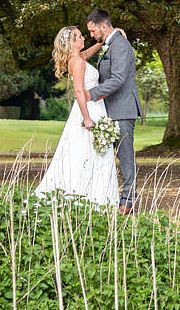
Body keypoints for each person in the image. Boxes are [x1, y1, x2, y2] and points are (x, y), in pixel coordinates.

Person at [32, 24, 119, 208]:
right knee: (89, 152)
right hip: (88, 109)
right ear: (72, 42)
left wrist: (108, 37)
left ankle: (97, 197)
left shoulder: (78, 58)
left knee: (93, 152)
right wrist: (87, 118)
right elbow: (79, 92)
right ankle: (91, 197)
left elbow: (91, 51)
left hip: (95, 107)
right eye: (79, 37)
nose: (83, 39)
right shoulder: (77, 62)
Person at [84, 7, 142, 215]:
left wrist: (90, 94)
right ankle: (116, 197)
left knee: (126, 157)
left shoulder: (120, 46)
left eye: (93, 31)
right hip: (112, 109)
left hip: (123, 109)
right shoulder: (110, 44)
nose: (91, 35)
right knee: (113, 156)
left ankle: (128, 201)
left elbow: (117, 79)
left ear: (103, 25)